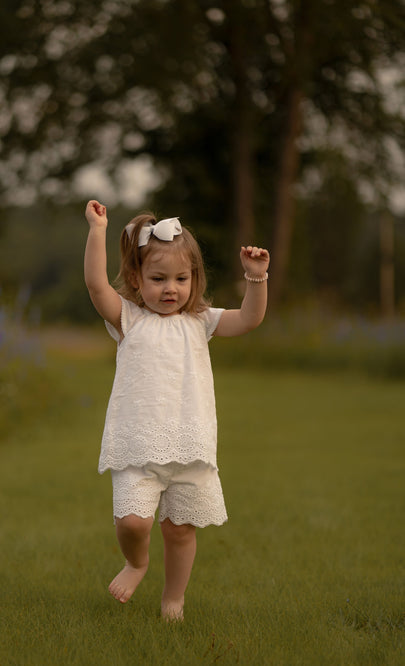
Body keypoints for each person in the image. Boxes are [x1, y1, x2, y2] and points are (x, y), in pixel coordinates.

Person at [84, 199, 269, 621]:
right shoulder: (128, 318)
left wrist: (256, 279)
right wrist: (97, 230)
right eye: (159, 278)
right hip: (137, 446)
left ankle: (173, 598)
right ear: (136, 277)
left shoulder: (200, 320)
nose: (171, 288)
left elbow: (249, 320)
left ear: (195, 279)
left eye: (181, 278)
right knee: (133, 522)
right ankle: (137, 563)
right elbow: (96, 286)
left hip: (190, 444)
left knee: (181, 531)